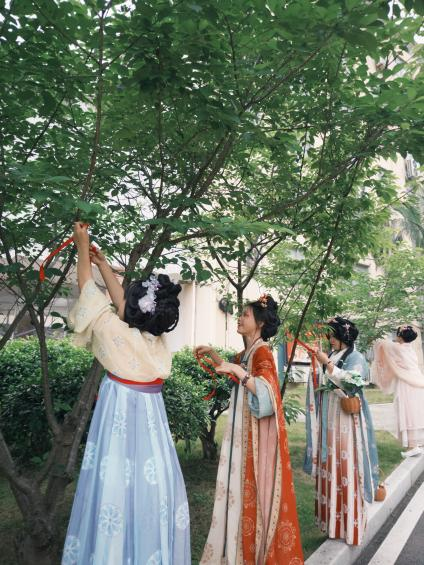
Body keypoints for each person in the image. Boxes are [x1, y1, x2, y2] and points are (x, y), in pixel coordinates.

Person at [62, 223, 191, 565]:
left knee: (115, 493)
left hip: (119, 434)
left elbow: (87, 289)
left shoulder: (114, 335)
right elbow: (125, 306)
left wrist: (82, 246)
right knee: (147, 498)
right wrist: (105, 264)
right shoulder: (155, 340)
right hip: (152, 439)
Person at [196, 294, 303, 565]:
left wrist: (238, 371)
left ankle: (250, 554)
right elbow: (231, 369)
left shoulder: (263, 352)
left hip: (253, 438)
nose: (240, 318)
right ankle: (238, 552)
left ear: (260, 322)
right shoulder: (248, 352)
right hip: (241, 433)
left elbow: (267, 396)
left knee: (249, 491)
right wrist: (214, 355)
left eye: (245, 315)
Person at [304, 316, 379, 546]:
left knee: (346, 468)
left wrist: (326, 363)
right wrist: (319, 365)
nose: (331, 339)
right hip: (329, 418)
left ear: (344, 336)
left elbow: (353, 382)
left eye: (333, 335)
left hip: (346, 422)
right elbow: (324, 380)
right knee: (331, 466)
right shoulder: (334, 354)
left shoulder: (356, 357)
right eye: (330, 335)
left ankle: (350, 527)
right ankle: (333, 526)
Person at [373, 324, 424, 457]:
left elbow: (380, 343)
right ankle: (415, 445)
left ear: (400, 336)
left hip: (406, 385)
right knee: (414, 413)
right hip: (417, 383)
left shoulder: (398, 348)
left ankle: (412, 446)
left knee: (407, 413)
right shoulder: (410, 349)